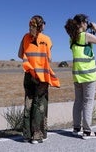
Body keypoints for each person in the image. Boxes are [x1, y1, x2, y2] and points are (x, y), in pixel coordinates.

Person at [18, 15, 60, 144]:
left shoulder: (25, 37)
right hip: (41, 76)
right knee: (39, 105)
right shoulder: (47, 39)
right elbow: (49, 59)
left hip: (29, 75)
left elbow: (20, 54)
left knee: (28, 103)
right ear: (41, 26)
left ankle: (26, 135)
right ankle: (37, 135)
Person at [64, 14, 96, 139]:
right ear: (81, 23)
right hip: (88, 75)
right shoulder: (85, 36)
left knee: (78, 102)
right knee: (88, 102)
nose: (87, 24)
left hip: (77, 76)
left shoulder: (71, 39)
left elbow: (80, 41)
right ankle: (87, 131)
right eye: (86, 22)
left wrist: (87, 28)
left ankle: (76, 128)